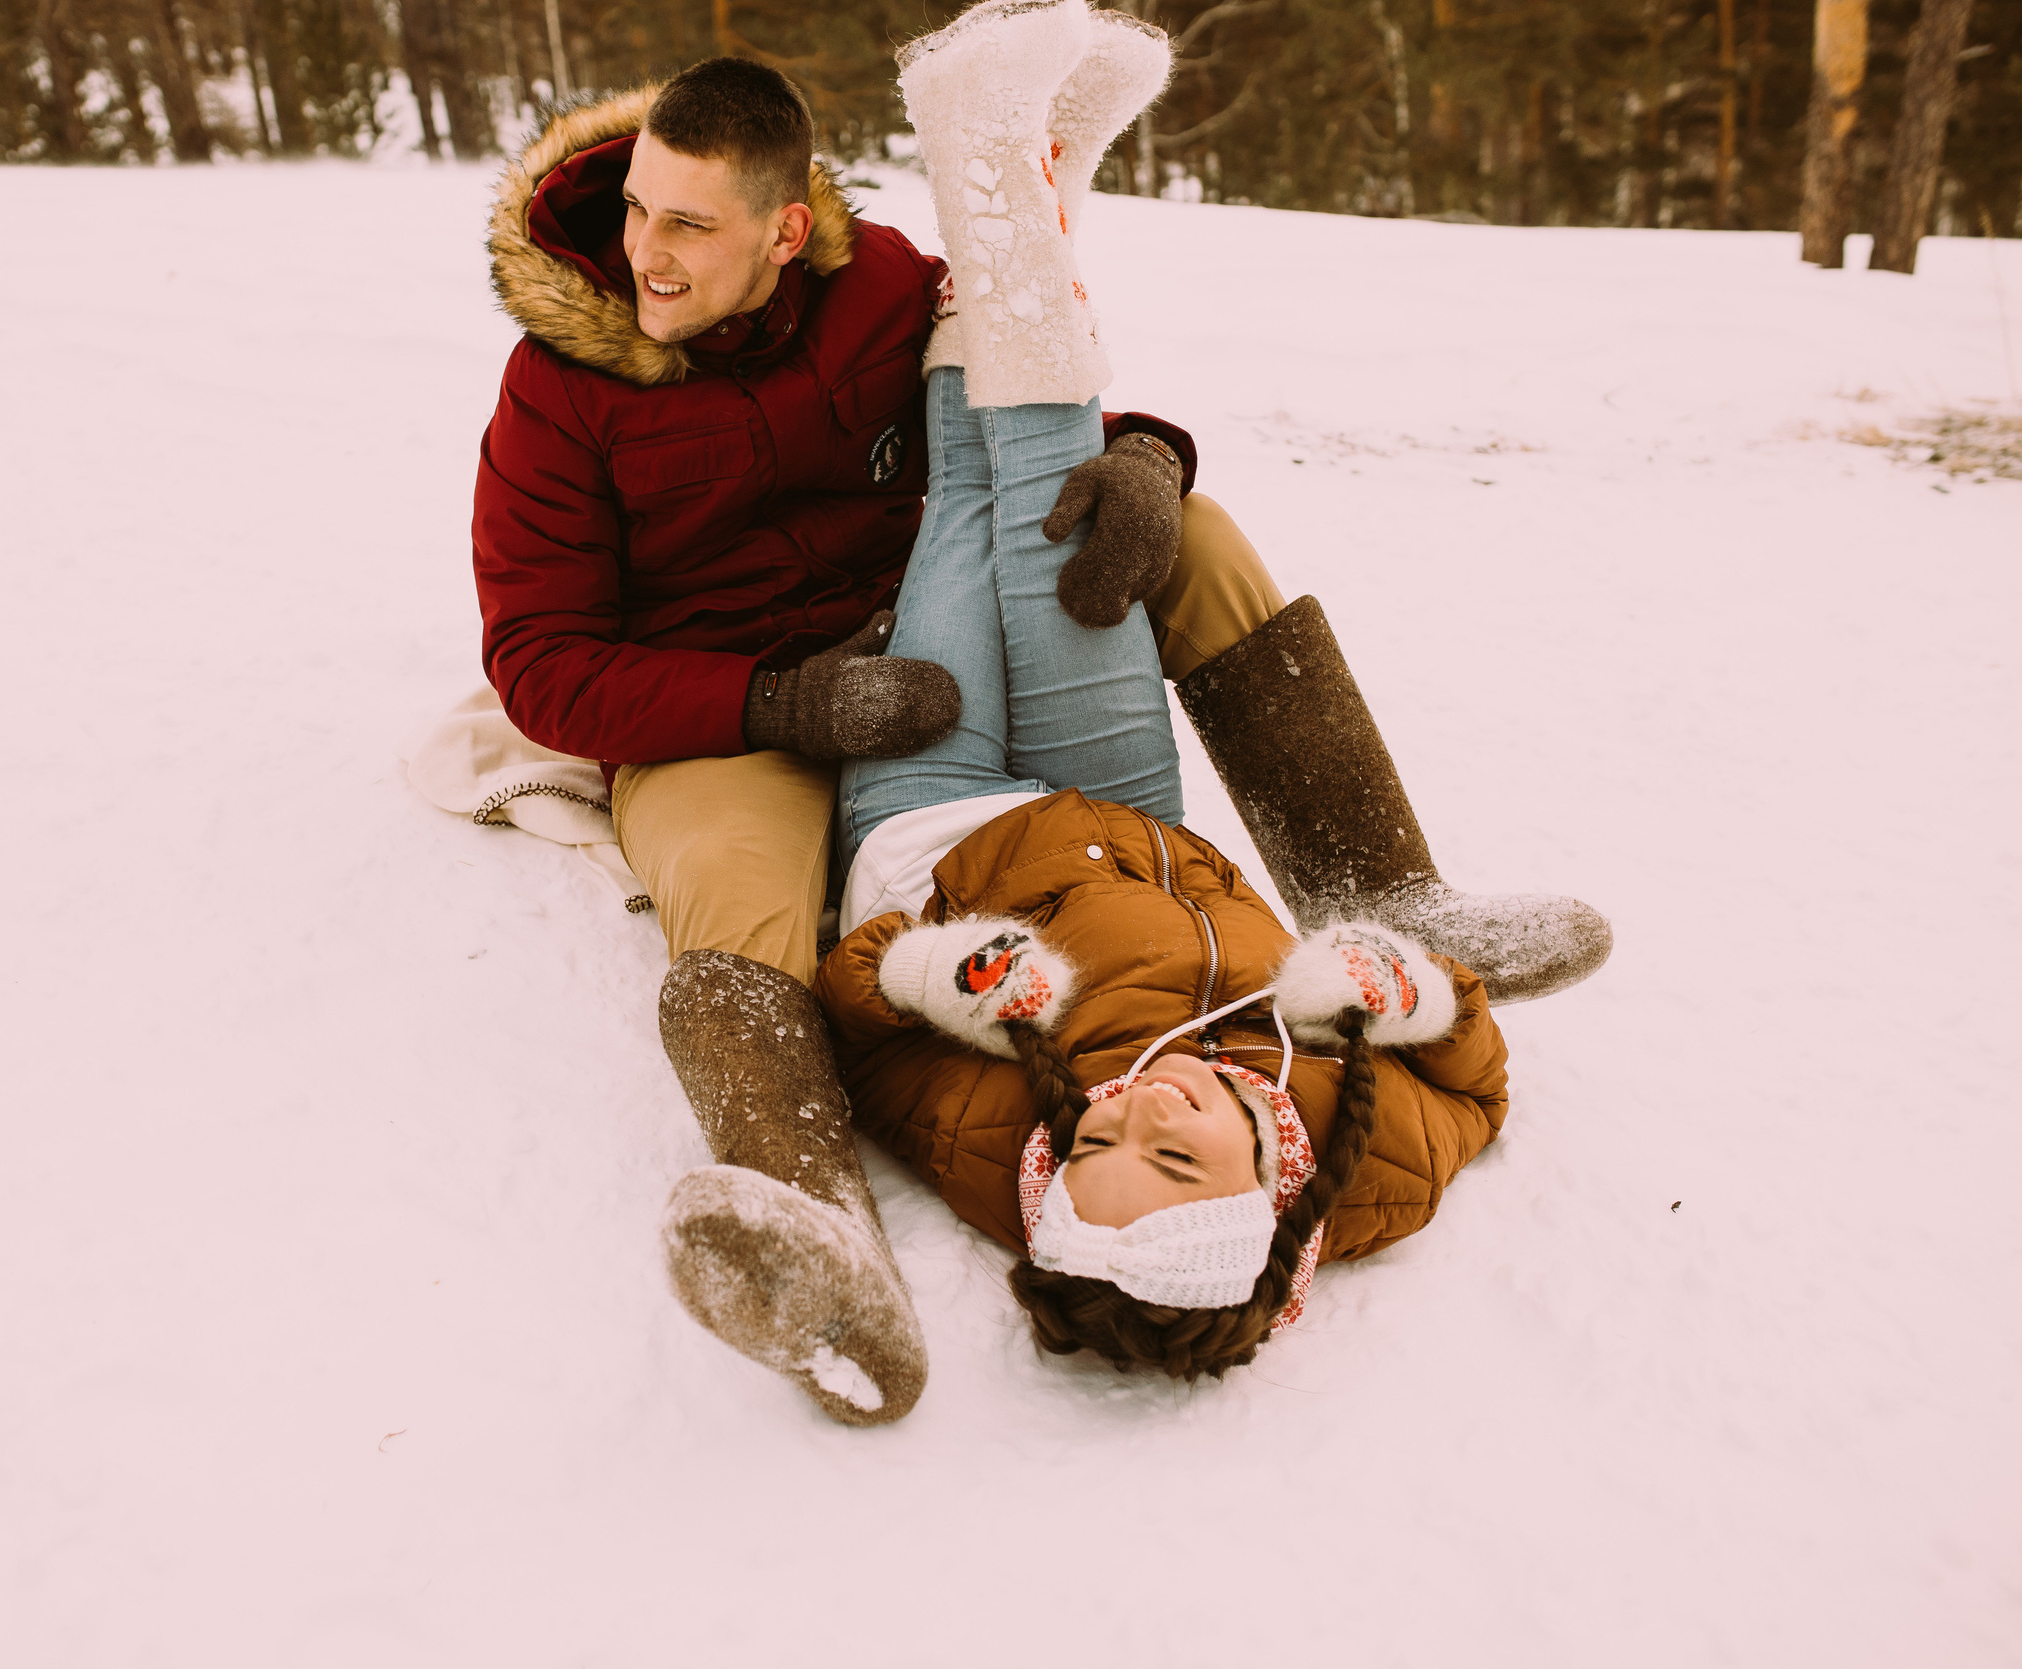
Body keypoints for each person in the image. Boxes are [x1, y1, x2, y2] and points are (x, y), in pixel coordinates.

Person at [471, 7, 1605, 1426]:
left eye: (690, 224)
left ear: (782, 230)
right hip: (727, 702)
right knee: (730, 873)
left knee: (1181, 532)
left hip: (938, 634)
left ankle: (1383, 882)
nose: (646, 252)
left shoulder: (877, 283)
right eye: (639, 209)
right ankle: (804, 1205)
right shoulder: (557, 392)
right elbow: (540, 663)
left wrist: (1149, 463)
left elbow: (1009, 346)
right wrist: (778, 698)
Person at [798, 0, 1520, 1385]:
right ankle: (1011, 161)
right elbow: (1477, 1084)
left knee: (970, 517)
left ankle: (1006, 161)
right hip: (1128, 814)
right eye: (1174, 1148)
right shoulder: (1377, 1173)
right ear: (1272, 1207)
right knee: (1056, 532)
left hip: (938, 837)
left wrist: (930, 972)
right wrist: (1410, 995)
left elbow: (869, 1052)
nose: (1131, 1109)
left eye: (1093, 1144)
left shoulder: (995, 1157)